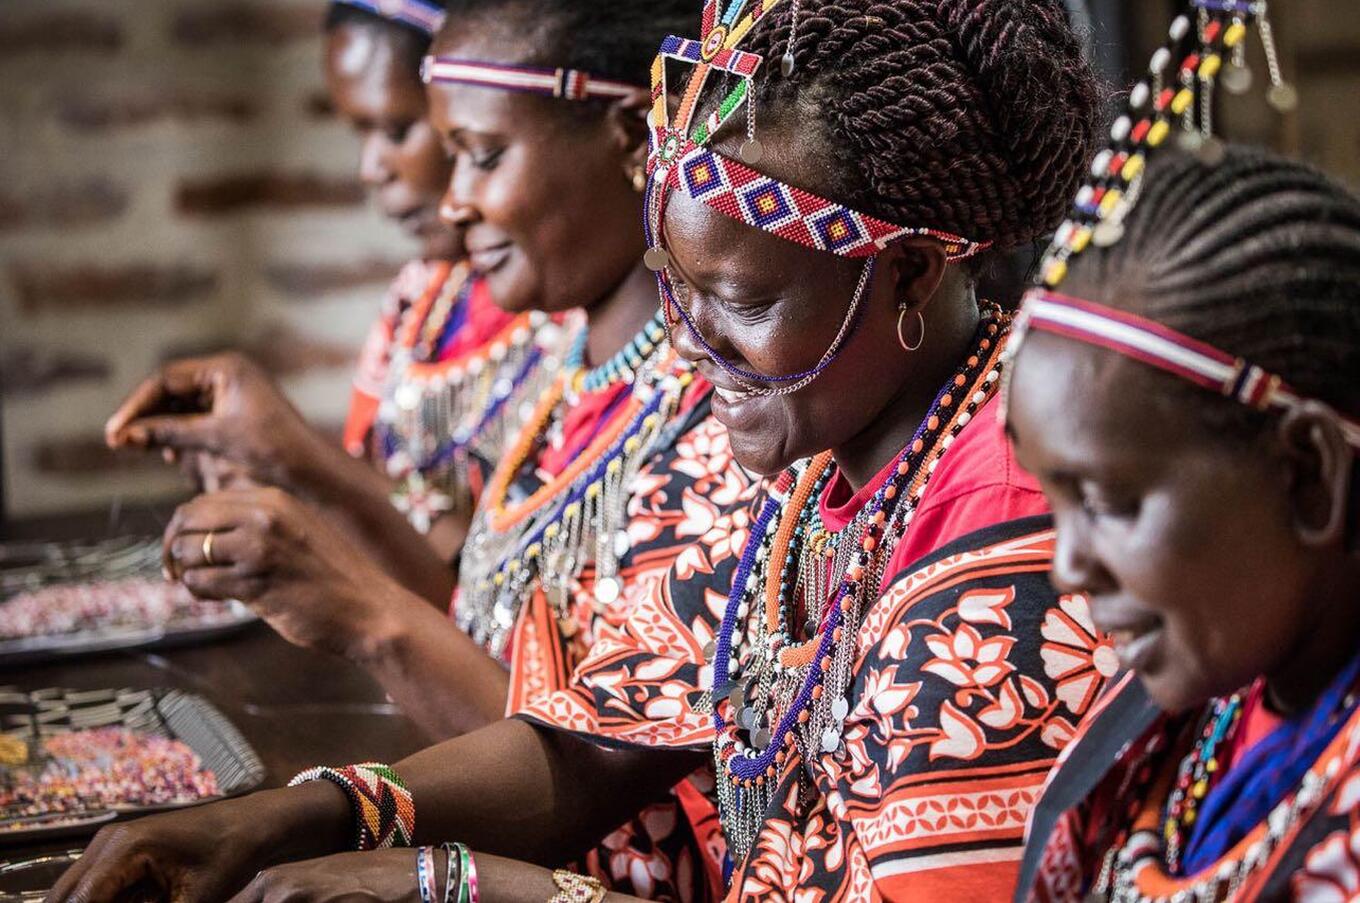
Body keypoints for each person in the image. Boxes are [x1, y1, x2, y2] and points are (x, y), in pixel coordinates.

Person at [48, 0, 1102, 900]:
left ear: (912, 273)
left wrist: (445, 878)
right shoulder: (832, 457)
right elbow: (601, 742)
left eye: (739, 300)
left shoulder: (997, 549)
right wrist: (295, 816)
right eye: (675, 290)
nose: (690, 345)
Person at [103, 0, 558, 609]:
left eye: (398, 130)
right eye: (361, 133)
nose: (372, 169)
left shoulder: (566, 316)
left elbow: (498, 602)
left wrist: (307, 466)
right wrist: (278, 479)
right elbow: (379, 502)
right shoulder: (420, 302)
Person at [1004, 143, 1360, 901]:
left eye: (1105, 501)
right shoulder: (1180, 721)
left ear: (1308, 474)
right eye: (1054, 501)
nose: (1068, 567)